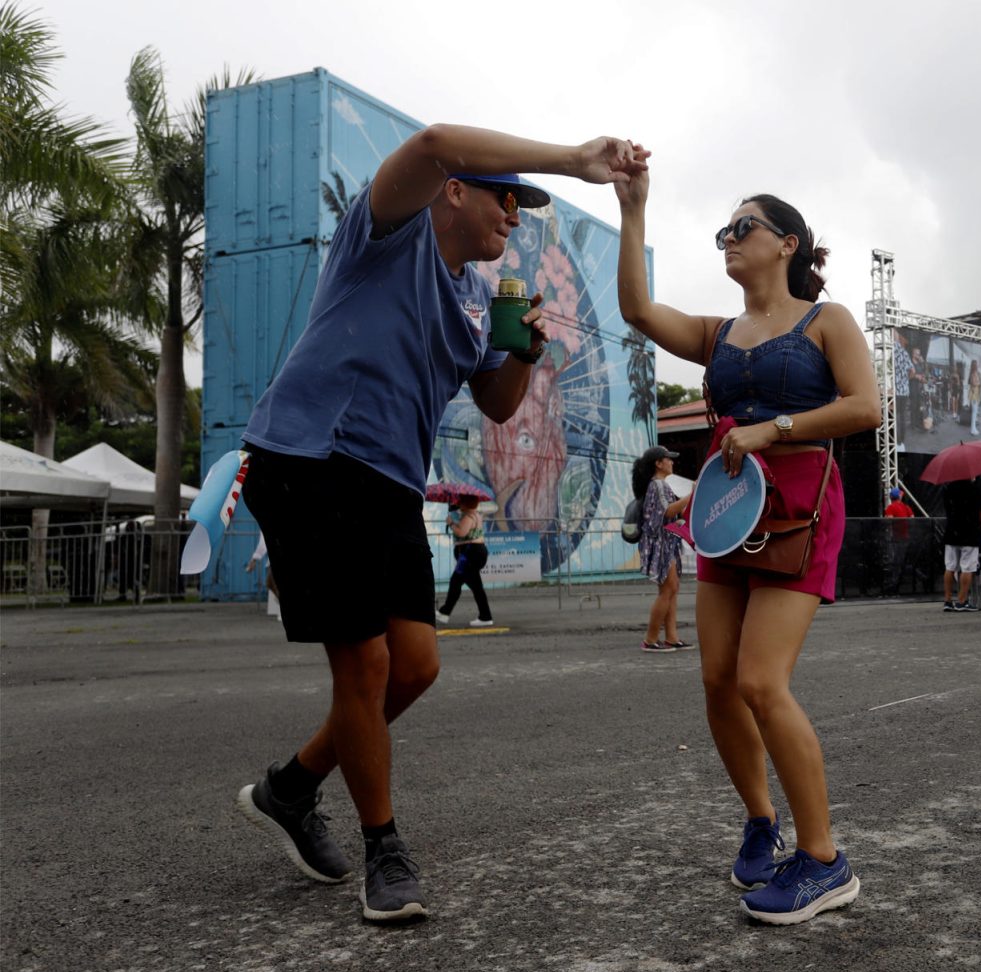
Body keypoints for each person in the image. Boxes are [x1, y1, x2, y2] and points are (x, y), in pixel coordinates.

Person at [236, 124, 647, 923]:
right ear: (454, 189)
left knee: (416, 667)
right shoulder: (386, 233)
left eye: (524, 206)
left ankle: (290, 788)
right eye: (507, 196)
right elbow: (429, 142)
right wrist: (570, 163)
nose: (516, 218)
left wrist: (522, 347)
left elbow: (495, 402)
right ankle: (384, 850)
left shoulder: (472, 299)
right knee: (362, 667)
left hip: (390, 483)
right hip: (312, 459)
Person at [614, 171, 878, 924]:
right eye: (722, 232)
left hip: (801, 508)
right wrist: (633, 209)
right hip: (730, 513)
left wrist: (774, 429)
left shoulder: (828, 321)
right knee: (718, 681)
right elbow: (636, 308)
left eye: (744, 227)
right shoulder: (716, 334)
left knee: (763, 682)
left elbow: (863, 406)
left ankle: (825, 860)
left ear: (786, 244)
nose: (730, 239)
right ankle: (762, 821)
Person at [633, 445, 689, 652]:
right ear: (658, 463)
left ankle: (671, 638)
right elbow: (667, 512)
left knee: (671, 589)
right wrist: (690, 497)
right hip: (661, 543)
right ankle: (650, 639)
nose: (672, 462)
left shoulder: (659, 485)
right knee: (668, 590)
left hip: (666, 542)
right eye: (668, 459)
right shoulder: (658, 485)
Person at [436, 495, 493, 628]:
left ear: (466, 503)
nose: (458, 503)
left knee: (468, 585)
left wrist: (451, 523)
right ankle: (445, 612)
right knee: (458, 582)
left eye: (461, 501)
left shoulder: (468, 517)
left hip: (469, 554)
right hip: (474, 552)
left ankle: (485, 616)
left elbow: (461, 532)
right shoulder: (476, 515)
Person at [942, 478, 981, 612]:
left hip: (951, 532)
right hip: (970, 533)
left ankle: (948, 600)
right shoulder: (975, 489)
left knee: (950, 567)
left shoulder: (948, 489)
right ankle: (962, 601)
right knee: (967, 567)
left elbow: (947, 509)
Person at [966, 359, 981, 435]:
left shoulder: (976, 373)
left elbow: (978, 382)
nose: (977, 365)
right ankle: (972, 429)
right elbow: (973, 383)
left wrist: (979, 382)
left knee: (975, 412)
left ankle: (973, 428)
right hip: (974, 394)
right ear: (974, 365)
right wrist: (979, 383)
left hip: (976, 394)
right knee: (974, 412)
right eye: (976, 364)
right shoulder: (973, 373)